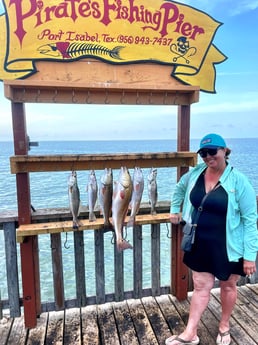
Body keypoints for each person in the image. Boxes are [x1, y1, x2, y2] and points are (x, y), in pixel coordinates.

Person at [166, 133, 258, 345]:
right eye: (203, 153)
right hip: (200, 242)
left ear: (225, 151)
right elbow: (180, 188)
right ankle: (191, 332)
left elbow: (250, 220)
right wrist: (174, 209)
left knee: (228, 286)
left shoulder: (239, 181)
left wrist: (250, 256)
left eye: (212, 151)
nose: (208, 156)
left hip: (230, 246)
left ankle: (224, 325)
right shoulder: (196, 173)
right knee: (200, 287)